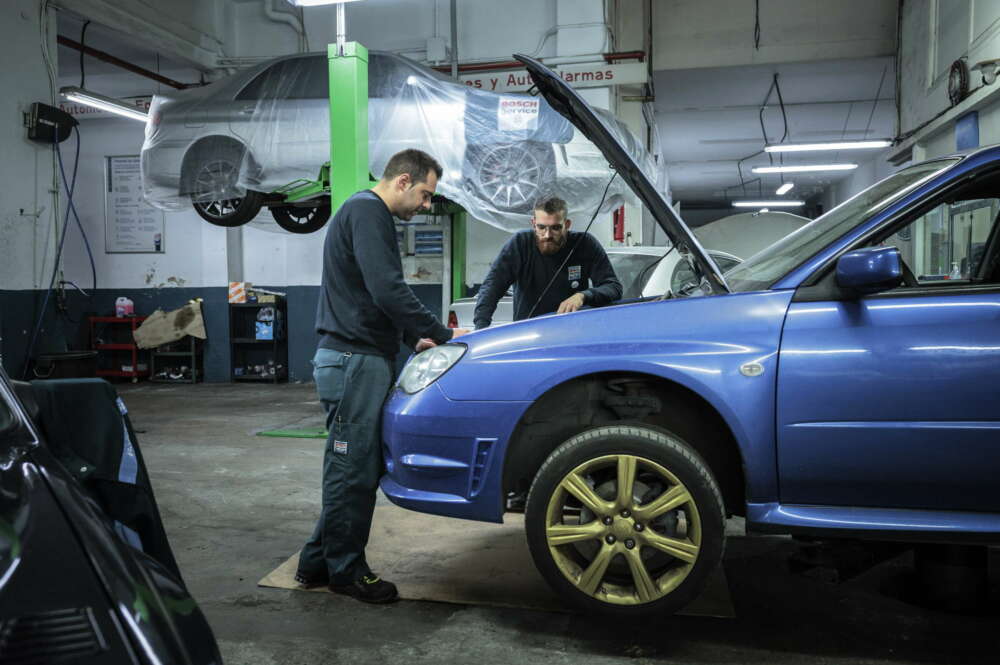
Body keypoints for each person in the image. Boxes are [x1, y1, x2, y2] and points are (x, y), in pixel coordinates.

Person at [296, 149, 469, 604]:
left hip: (360, 358)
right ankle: (346, 572)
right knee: (351, 470)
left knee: (355, 466)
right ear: (403, 180)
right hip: (353, 363)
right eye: (426, 195)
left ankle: (317, 562)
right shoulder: (368, 212)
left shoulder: (363, 213)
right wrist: (441, 333)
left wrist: (413, 342)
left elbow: (369, 298)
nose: (426, 206)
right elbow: (387, 288)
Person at [473, 196, 623, 330]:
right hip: (529, 335)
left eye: (556, 228)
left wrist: (582, 296)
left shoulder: (584, 244)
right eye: (541, 227)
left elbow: (613, 287)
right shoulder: (520, 244)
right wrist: (480, 327)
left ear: (567, 224)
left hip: (572, 334)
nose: (547, 235)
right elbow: (492, 287)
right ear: (533, 224)